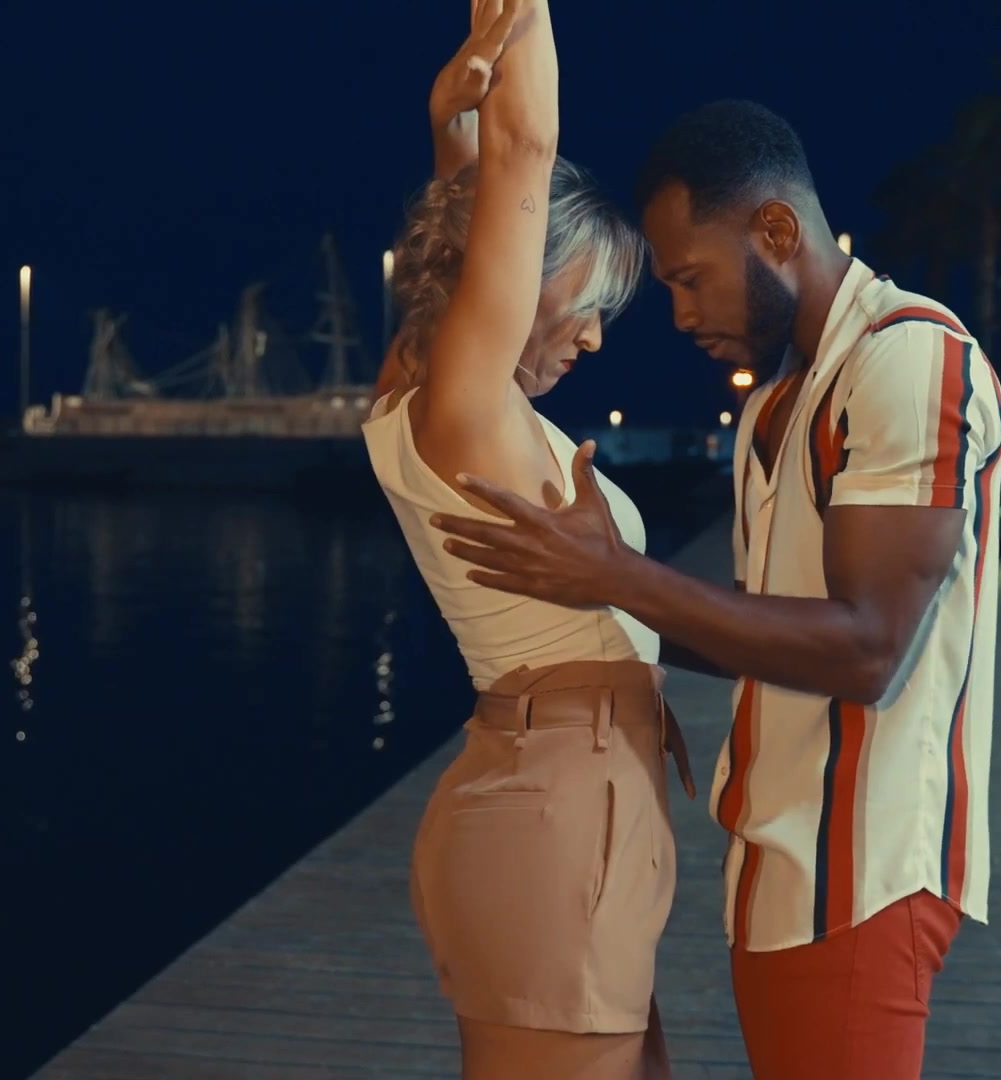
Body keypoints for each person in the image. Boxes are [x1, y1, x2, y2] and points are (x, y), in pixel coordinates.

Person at [429, 98, 1001, 1079]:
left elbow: (867, 647)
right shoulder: (781, 396)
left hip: (859, 874)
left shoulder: (911, 356)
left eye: (691, 279)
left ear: (776, 231)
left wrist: (618, 574)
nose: (683, 314)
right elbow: (763, 625)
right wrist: (589, 602)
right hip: (775, 862)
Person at [360, 2, 693, 1077]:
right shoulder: (464, 412)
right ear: (510, 273)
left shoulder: (436, 393)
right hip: (558, 810)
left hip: (571, 802)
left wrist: (448, 128)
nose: (594, 336)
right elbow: (525, 152)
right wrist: (509, 67)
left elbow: (467, 228)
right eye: (585, 301)